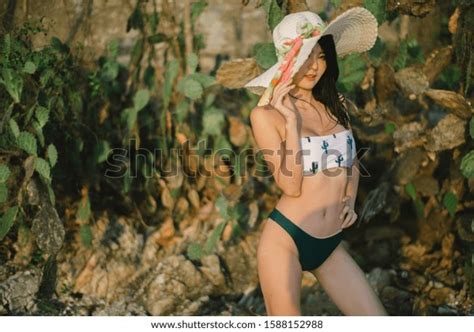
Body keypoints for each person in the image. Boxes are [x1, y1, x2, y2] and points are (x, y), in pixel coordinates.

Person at [245, 7, 388, 315]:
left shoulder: (334, 104)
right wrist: (293, 125)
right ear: (287, 62)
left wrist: (348, 200)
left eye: (320, 56)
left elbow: (351, 163)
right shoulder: (266, 115)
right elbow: (291, 185)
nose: (314, 67)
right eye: (305, 57)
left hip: (329, 243)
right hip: (286, 240)